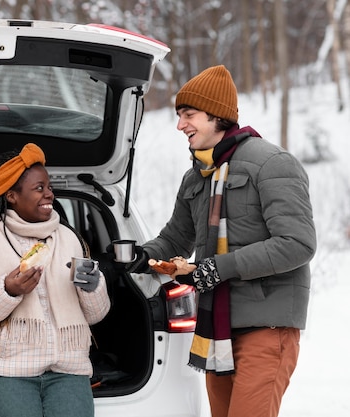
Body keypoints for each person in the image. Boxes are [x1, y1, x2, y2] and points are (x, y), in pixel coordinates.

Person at [124, 65, 316, 417]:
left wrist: (217, 268)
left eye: (189, 114)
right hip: (217, 331)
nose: (180, 124)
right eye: (179, 115)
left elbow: (297, 243)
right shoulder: (196, 176)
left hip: (266, 327)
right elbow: (176, 237)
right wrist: (140, 257)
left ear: (218, 115)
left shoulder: (271, 163)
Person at [0, 143, 110, 417]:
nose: (49, 193)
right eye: (39, 188)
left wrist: (92, 287)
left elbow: (97, 315)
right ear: (12, 196)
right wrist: (7, 291)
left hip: (68, 369)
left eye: (49, 186)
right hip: (5, 371)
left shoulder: (70, 238)